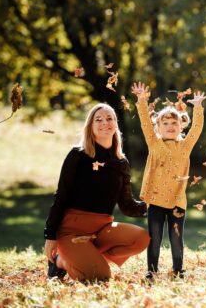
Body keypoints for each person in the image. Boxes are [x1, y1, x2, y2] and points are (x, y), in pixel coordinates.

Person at [44, 103, 150, 282]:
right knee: (99, 277)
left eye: (109, 118)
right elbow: (61, 196)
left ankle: (88, 255)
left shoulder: (121, 162)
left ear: (116, 124)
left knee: (141, 238)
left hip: (101, 229)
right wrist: (50, 235)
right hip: (72, 231)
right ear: (90, 126)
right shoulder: (77, 155)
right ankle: (60, 261)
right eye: (98, 119)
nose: (104, 123)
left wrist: (152, 206)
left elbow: (126, 205)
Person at [131, 81, 206, 280]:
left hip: (176, 201)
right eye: (165, 123)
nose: (170, 127)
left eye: (174, 123)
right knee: (154, 237)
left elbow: (197, 129)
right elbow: (145, 123)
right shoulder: (154, 143)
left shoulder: (185, 146)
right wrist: (141, 100)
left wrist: (197, 107)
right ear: (158, 127)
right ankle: (152, 270)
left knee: (176, 237)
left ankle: (178, 269)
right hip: (155, 200)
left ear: (181, 125)